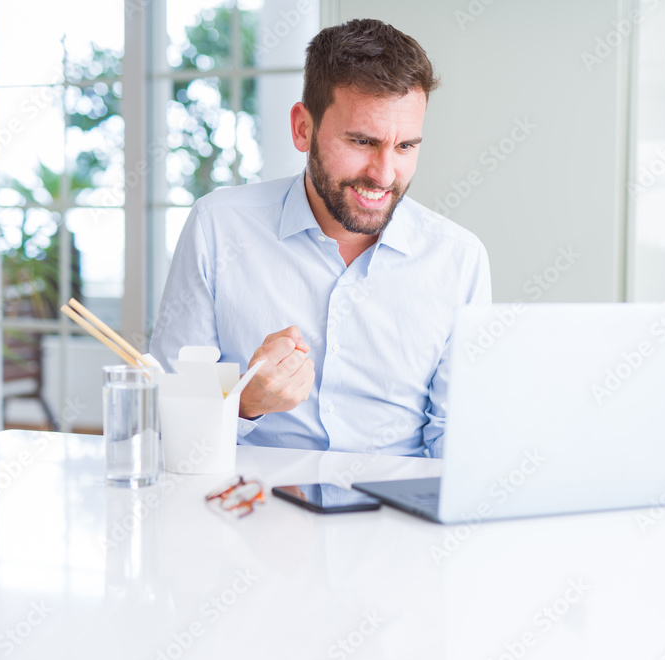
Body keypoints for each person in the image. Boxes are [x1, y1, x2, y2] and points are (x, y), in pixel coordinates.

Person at [149, 18, 491, 458]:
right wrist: (243, 404)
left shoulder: (458, 259)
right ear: (302, 129)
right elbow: (164, 421)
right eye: (363, 141)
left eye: (405, 146)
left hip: (397, 518)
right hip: (250, 511)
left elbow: (457, 445)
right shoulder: (218, 227)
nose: (384, 175)